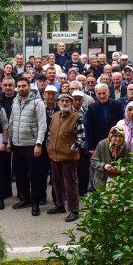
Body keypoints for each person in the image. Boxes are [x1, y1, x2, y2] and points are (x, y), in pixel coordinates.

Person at [9, 77, 48, 216]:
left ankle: (35, 203)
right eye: (18, 86)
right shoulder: (15, 101)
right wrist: (9, 141)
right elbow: (12, 121)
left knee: (34, 176)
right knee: (21, 175)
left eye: (23, 86)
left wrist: (39, 143)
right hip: (17, 144)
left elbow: (42, 124)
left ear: (29, 87)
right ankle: (24, 199)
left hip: (32, 145)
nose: (21, 88)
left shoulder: (38, 103)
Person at [46, 93, 85, 222]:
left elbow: (81, 140)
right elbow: (49, 134)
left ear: (71, 103)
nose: (64, 103)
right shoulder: (55, 116)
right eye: (62, 101)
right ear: (58, 103)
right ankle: (60, 205)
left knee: (70, 185)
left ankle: (74, 210)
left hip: (69, 158)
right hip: (54, 156)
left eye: (67, 101)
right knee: (56, 183)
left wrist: (70, 151)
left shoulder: (76, 117)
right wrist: (49, 146)